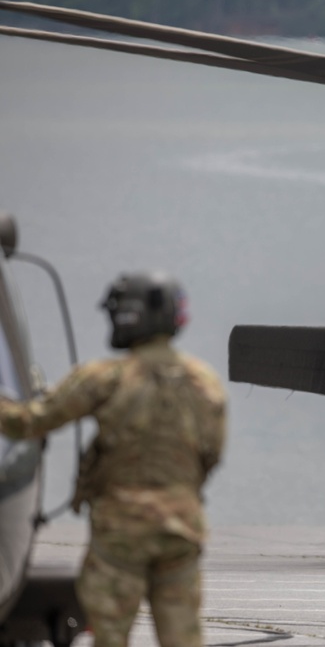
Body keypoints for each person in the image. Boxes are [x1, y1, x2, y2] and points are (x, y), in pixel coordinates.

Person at [0, 272, 226, 647]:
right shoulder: (206, 381)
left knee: (110, 634)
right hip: (182, 528)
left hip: (121, 532)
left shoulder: (104, 377)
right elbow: (210, 454)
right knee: (182, 634)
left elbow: (31, 422)